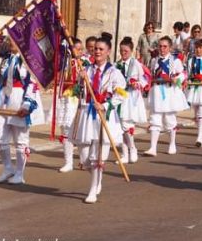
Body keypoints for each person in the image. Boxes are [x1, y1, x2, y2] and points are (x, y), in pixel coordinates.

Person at [71, 32, 127, 204]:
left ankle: (93, 190)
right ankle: (98, 177)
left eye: (101, 49)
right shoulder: (86, 69)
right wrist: (80, 82)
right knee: (85, 158)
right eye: (95, 49)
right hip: (87, 114)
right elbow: (78, 93)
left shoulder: (114, 72)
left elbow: (122, 94)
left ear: (108, 51)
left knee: (97, 156)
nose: (97, 52)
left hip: (104, 116)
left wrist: (106, 104)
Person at [0, 36, 45, 184]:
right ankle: (8, 168)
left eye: (14, 39)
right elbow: (0, 82)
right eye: (10, 40)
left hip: (19, 100)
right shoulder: (6, 59)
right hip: (3, 100)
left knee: (20, 141)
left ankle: (19, 173)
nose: (10, 42)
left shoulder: (29, 60)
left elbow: (32, 85)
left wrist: (27, 105)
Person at [145, 36, 189, 156]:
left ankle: (172, 144)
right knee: (155, 118)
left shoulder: (175, 61)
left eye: (165, 46)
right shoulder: (154, 60)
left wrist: (177, 79)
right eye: (160, 46)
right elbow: (150, 75)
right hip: (156, 91)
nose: (162, 49)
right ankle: (153, 148)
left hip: (169, 91)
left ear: (169, 47)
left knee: (169, 119)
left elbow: (183, 74)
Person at [115, 36, 148, 164]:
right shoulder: (116, 65)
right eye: (121, 51)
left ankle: (132, 148)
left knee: (127, 125)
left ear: (131, 51)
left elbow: (145, 79)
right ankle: (124, 154)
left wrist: (137, 84)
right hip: (120, 97)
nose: (123, 54)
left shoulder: (137, 64)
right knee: (120, 125)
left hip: (131, 97)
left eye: (126, 51)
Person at [53, 38, 84, 173]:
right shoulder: (64, 63)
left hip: (78, 100)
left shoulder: (85, 63)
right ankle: (68, 162)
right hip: (66, 99)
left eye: (81, 49)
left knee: (81, 131)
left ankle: (84, 160)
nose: (80, 51)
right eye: (77, 48)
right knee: (66, 130)